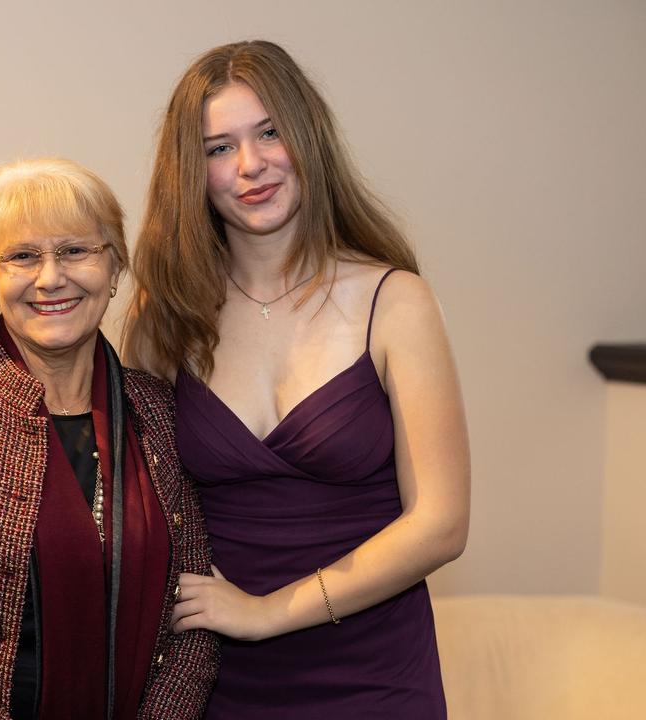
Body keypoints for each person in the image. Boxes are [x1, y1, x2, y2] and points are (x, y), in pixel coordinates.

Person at [124, 41, 470, 718]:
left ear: (307, 137)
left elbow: (441, 524)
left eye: (269, 133)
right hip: (216, 680)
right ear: (190, 171)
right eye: (218, 148)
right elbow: (134, 500)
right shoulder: (164, 317)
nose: (250, 166)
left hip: (373, 676)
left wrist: (267, 612)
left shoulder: (395, 302)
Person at [0, 158, 219, 719]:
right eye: (23, 256)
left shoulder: (159, 410)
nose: (50, 278)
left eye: (76, 251)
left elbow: (195, 616)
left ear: (116, 267)